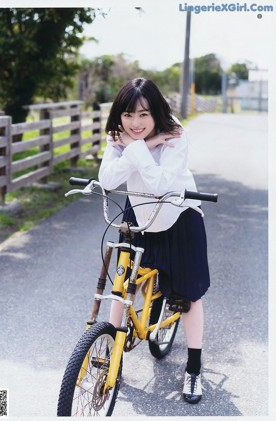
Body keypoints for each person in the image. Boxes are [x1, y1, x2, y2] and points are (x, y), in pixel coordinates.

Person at [98, 78, 210, 404]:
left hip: (177, 214)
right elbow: (107, 179)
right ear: (119, 115)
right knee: (122, 282)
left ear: (156, 112)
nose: (135, 123)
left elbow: (161, 184)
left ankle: (193, 368)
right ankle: (109, 349)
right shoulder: (122, 137)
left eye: (144, 115)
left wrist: (134, 149)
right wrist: (144, 145)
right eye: (128, 115)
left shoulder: (175, 134)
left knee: (187, 296)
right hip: (140, 212)